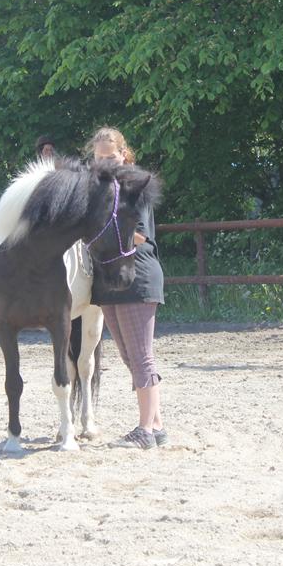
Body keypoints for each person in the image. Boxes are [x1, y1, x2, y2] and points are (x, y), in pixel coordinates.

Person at [86, 126, 167, 450]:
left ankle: (145, 430)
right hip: (109, 275)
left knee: (141, 356)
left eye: (111, 156)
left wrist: (104, 227)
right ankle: (157, 425)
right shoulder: (95, 189)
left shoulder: (134, 185)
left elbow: (141, 235)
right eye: (100, 157)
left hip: (138, 272)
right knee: (128, 356)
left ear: (124, 154)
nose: (106, 162)